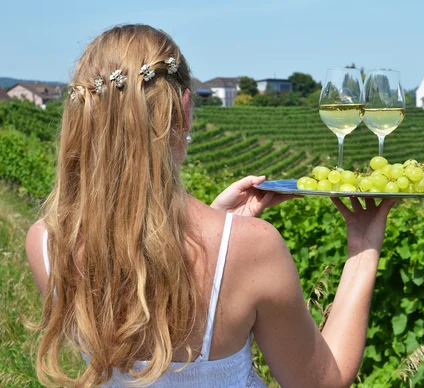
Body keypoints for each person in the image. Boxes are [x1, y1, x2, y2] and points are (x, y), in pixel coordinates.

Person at [25, 24, 396, 387]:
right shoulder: (253, 248)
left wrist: (220, 224)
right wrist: (363, 247)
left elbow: (139, 253)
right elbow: (320, 382)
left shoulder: (45, 242)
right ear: (184, 109)